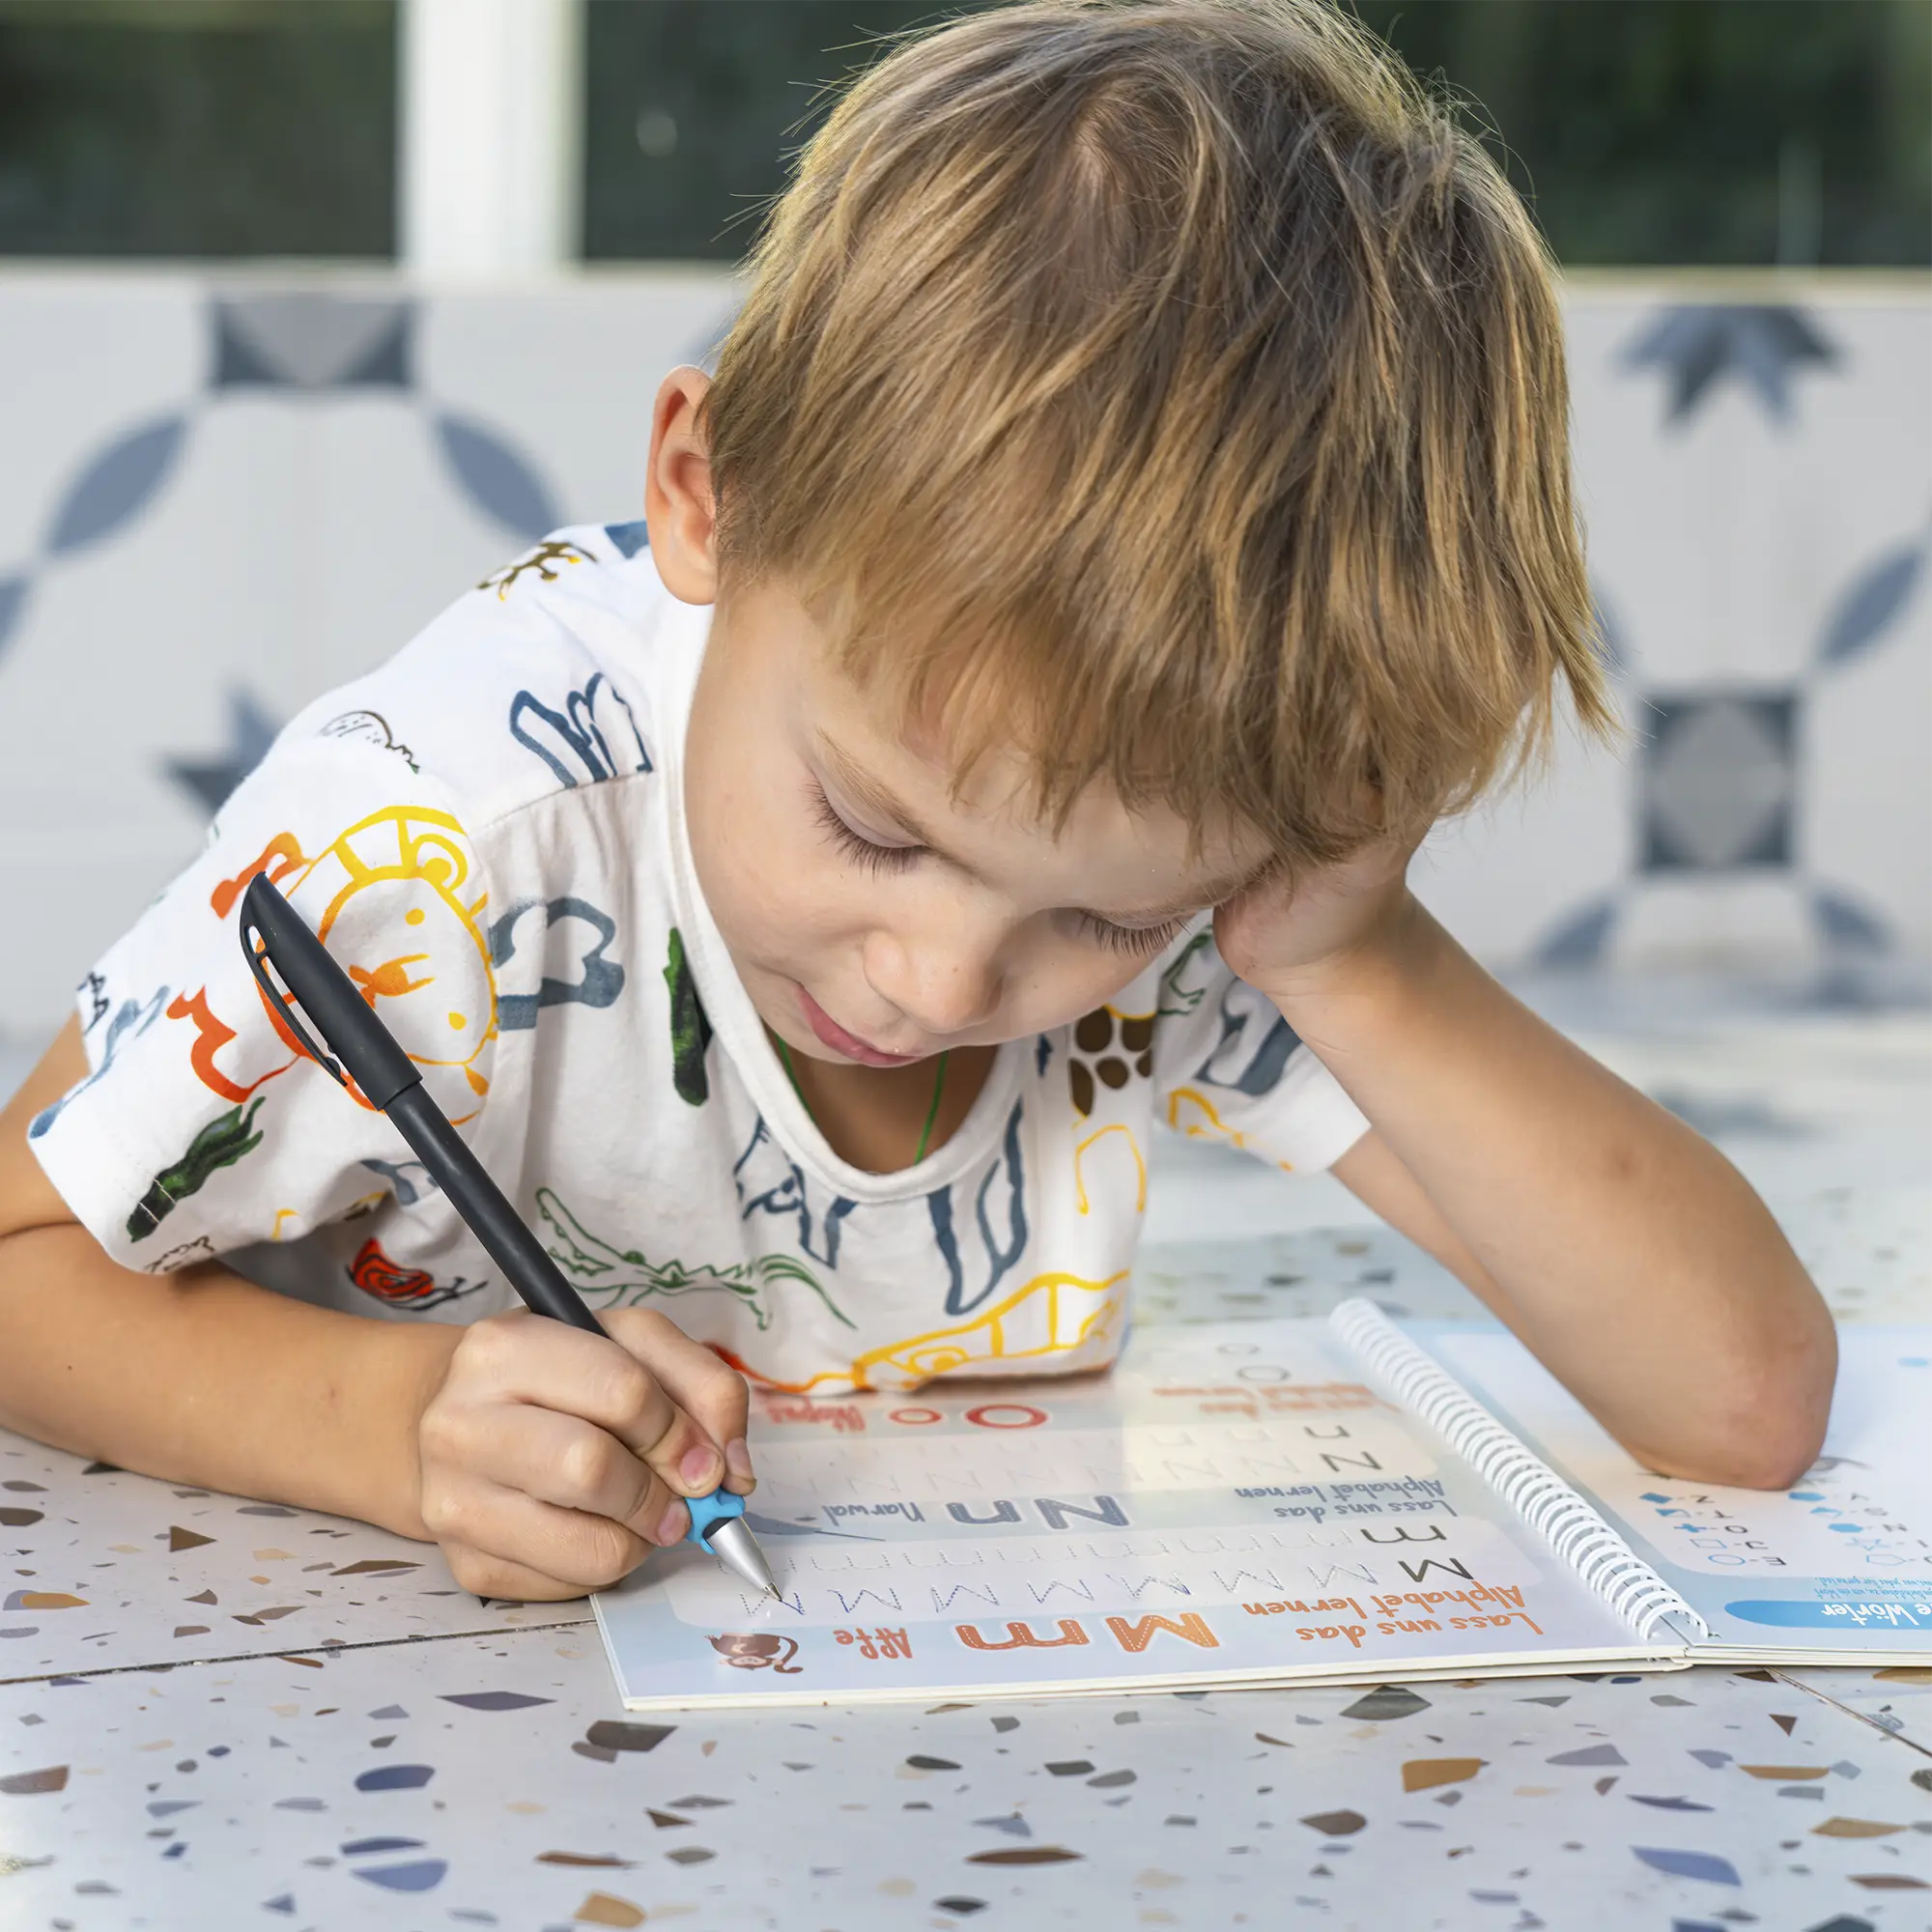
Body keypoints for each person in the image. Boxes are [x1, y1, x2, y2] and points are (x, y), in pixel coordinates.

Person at [0, 0, 1833, 1605]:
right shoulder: (440, 847)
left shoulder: (1216, 874)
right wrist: (393, 1433)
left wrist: (1354, 957)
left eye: (1103, 921)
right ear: (706, 493)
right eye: (875, 830)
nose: (946, 983)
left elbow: (1736, 1404)